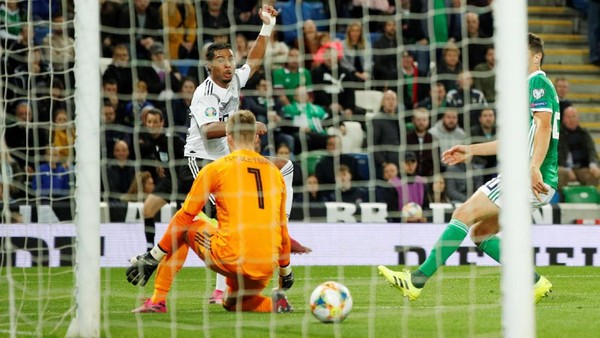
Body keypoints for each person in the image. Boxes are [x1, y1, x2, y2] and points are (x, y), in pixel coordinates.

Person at [136, 5, 306, 307]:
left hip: (231, 164)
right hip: (200, 163)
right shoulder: (205, 94)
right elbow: (210, 131)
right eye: (220, 59)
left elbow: (254, 60)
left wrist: (267, 26)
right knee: (205, 224)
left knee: (286, 168)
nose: (228, 64)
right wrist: (246, 124)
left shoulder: (235, 81)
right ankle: (164, 296)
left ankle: (282, 229)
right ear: (208, 66)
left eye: (230, 58)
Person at [378, 33, 557, 304]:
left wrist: (533, 167)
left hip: (527, 176)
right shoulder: (527, 88)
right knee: (481, 233)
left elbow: (544, 125)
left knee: (463, 213)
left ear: (536, 57)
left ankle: (416, 282)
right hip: (536, 179)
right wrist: (470, 150)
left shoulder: (537, 82)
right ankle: (534, 283)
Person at [126, 110, 294, 314]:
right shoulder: (276, 174)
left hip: (231, 258)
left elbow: (184, 217)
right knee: (232, 302)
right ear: (256, 137)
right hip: (265, 266)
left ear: (228, 136)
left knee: (187, 221)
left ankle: (158, 300)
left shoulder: (216, 168)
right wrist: (286, 271)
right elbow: (283, 230)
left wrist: (154, 256)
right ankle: (275, 304)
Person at [557, 105, 600, 191]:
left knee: (595, 173)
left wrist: (593, 165)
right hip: (564, 167)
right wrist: (568, 168)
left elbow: (592, 151)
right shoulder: (558, 134)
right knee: (560, 173)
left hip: (581, 167)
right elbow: (557, 154)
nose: (571, 119)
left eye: (573, 116)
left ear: (578, 118)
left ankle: (587, 198)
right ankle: (563, 199)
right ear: (564, 119)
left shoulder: (584, 133)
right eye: (568, 117)